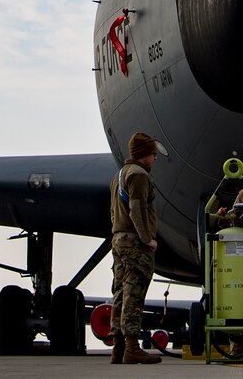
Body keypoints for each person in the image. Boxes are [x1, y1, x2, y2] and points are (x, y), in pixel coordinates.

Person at [109, 130, 164, 365]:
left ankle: (118, 348)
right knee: (134, 292)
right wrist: (146, 238)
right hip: (134, 241)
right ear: (144, 154)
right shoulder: (140, 175)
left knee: (120, 292)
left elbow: (114, 211)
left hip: (119, 238)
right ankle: (132, 347)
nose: (155, 158)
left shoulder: (120, 174)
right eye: (153, 154)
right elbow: (137, 209)